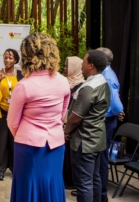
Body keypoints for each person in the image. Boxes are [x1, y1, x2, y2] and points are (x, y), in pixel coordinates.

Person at [7, 32, 70, 202]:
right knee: (53, 182)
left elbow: (12, 122)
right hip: (56, 144)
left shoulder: (24, 86)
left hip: (28, 146)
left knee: (28, 185)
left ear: (26, 56)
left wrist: (24, 135)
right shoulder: (63, 81)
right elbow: (62, 113)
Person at [64, 50, 110, 202]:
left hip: (84, 142)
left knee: (83, 183)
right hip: (97, 139)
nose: (81, 64)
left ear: (91, 66)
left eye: (84, 61)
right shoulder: (103, 82)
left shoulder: (88, 88)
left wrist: (66, 131)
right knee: (95, 178)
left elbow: (76, 118)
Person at [97, 47, 125, 202]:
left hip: (106, 122)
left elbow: (116, 105)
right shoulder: (103, 74)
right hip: (105, 121)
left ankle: (101, 195)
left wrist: (117, 112)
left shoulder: (107, 77)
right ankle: (96, 190)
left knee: (102, 158)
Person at [0, 48, 23, 181]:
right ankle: (0, 169)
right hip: (1, 112)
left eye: (10, 58)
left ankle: (15, 168)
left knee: (14, 140)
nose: (7, 60)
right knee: (0, 141)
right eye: (5, 57)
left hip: (16, 112)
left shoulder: (21, 74)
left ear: (15, 60)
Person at [63, 56, 85, 192]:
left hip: (72, 126)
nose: (64, 69)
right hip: (62, 124)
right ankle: (65, 180)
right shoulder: (64, 82)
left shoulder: (82, 86)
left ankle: (72, 182)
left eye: (67, 66)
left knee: (72, 157)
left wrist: (68, 127)